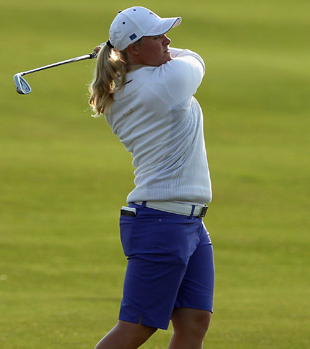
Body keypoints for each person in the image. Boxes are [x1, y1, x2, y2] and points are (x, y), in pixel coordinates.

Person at [88, 6, 214, 349]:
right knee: (136, 328)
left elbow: (167, 57)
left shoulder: (129, 84)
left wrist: (117, 55)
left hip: (186, 221)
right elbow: (196, 59)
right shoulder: (167, 83)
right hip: (163, 223)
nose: (168, 41)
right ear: (135, 50)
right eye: (158, 37)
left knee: (194, 323)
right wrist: (116, 53)